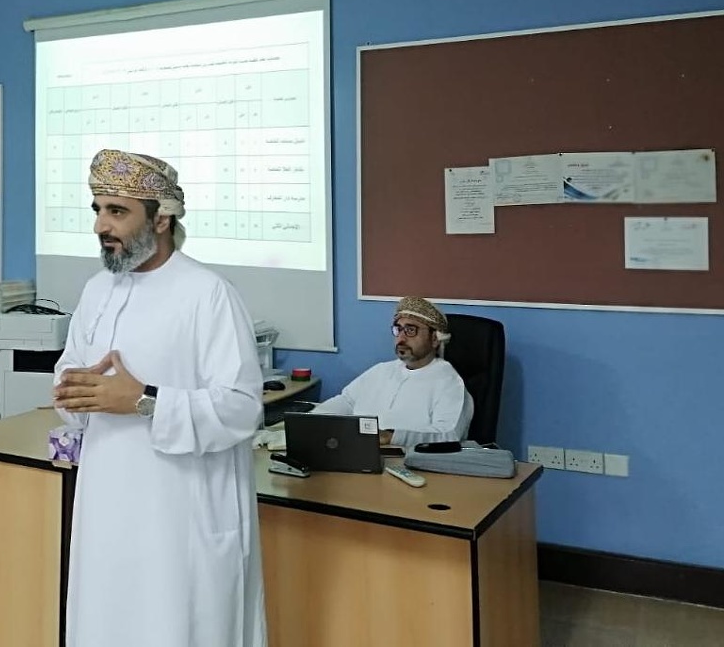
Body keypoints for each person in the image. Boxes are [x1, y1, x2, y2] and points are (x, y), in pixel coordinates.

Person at [52, 149, 266, 647]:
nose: (101, 226)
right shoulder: (97, 290)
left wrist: (144, 400)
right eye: (98, 210)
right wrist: (73, 390)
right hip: (105, 506)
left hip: (180, 517)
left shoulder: (208, 293)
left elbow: (241, 407)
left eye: (117, 211)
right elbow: (71, 371)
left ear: (162, 218)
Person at [314, 296, 473, 448]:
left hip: (410, 461)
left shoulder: (449, 382)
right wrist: (312, 420)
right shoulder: (381, 371)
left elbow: (449, 435)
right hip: (357, 452)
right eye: (398, 329)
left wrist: (391, 437)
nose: (401, 338)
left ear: (435, 339)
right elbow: (347, 401)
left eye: (411, 330)